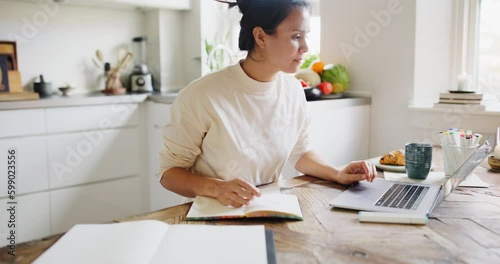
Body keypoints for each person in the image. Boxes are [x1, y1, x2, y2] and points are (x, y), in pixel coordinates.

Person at [159, 0, 376, 207]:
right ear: (261, 37)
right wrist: (217, 188)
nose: (305, 47)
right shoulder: (201, 95)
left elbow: (300, 154)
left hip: (269, 209)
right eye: (296, 36)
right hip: (211, 217)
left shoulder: (293, 90)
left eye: (306, 36)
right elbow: (169, 174)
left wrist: (337, 173)